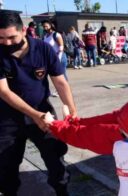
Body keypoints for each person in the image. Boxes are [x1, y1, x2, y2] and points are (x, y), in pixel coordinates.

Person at [0, 11, 77, 196]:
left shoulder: (43, 49)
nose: (7, 42)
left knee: (55, 158)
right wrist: (35, 115)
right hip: (7, 118)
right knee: (6, 165)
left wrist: (72, 112)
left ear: (24, 30)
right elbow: (3, 91)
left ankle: (62, 191)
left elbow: (60, 82)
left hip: (44, 114)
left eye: (11, 37)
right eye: (1, 38)